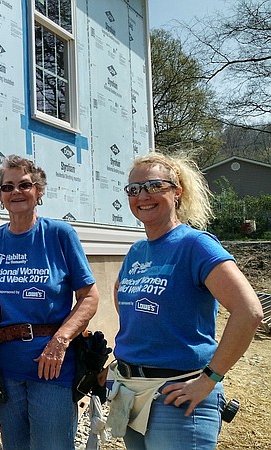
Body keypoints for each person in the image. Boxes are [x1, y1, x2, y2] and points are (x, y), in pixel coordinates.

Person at [109, 152, 263, 449]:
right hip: (130, 392)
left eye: (155, 186)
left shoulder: (196, 245)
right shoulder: (137, 251)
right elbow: (123, 298)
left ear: (176, 192)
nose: (143, 195)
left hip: (177, 396)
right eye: (134, 189)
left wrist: (209, 379)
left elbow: (249, 311)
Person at [0, 154, 100, 449]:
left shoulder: (59, 234)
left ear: (39, 191)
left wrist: (60, 342)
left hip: (51, 367)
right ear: (0, 196)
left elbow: (89, 297)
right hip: (4, 371)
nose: (16, 192)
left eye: (24, 185)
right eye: (7, 187)